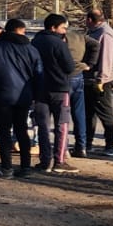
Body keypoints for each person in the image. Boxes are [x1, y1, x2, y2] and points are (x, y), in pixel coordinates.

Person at [0, 18, 43, 178]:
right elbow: (39, 75)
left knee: (3, 132)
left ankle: (6, 167)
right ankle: (25, 167)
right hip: (24, 96)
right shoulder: (32, 50)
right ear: (21, 31)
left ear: (6, 30)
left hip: (2, 96)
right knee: (22, 130)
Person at [31, 14, 79, 174]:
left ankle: (45, 160)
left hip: (39, 89)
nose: (65, 31)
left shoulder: (35, 41)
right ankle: (59, 160)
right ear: (54, 27)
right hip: (59, 88)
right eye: (63, 27)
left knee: (42, 126)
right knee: (62, 125)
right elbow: (69, 66)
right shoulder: (59, 43)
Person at [83, 9, 113, 156]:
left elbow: (106, 58)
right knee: (89, 114)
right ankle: (88, 143)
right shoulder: (94, 32)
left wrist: (101, 79)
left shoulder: (105, 34)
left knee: (105, 113)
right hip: (89, 79)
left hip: (100, 81)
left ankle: (110, 145)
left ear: (90, 19)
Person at [63, 23, 90, 157]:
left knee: (63, 114)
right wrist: (89, 64)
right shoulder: (80, 36)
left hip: (66, 76)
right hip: (78, 75)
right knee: (79, 113)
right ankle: (81, 146)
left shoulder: (62, 37)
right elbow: (96, 45)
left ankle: (64, 147)